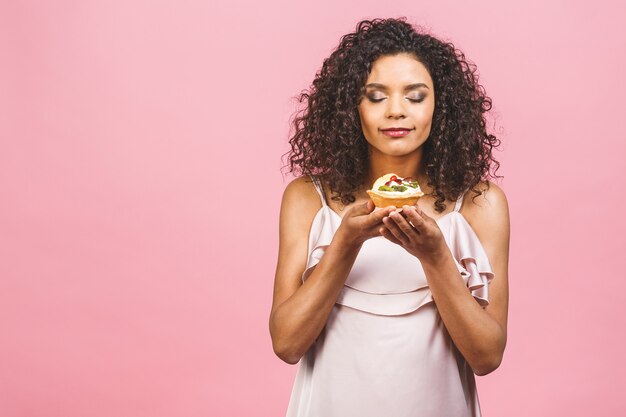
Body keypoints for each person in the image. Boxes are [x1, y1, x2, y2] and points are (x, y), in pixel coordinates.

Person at [269, 17, 510, 417]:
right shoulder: (307, 199)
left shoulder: (480, 203)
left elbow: (487, 356)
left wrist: (435, 257)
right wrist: (345, 244)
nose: (396, 111)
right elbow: (287, 344)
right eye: (376, 96)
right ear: (351, 108)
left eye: (415, 97)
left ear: (441, 106)